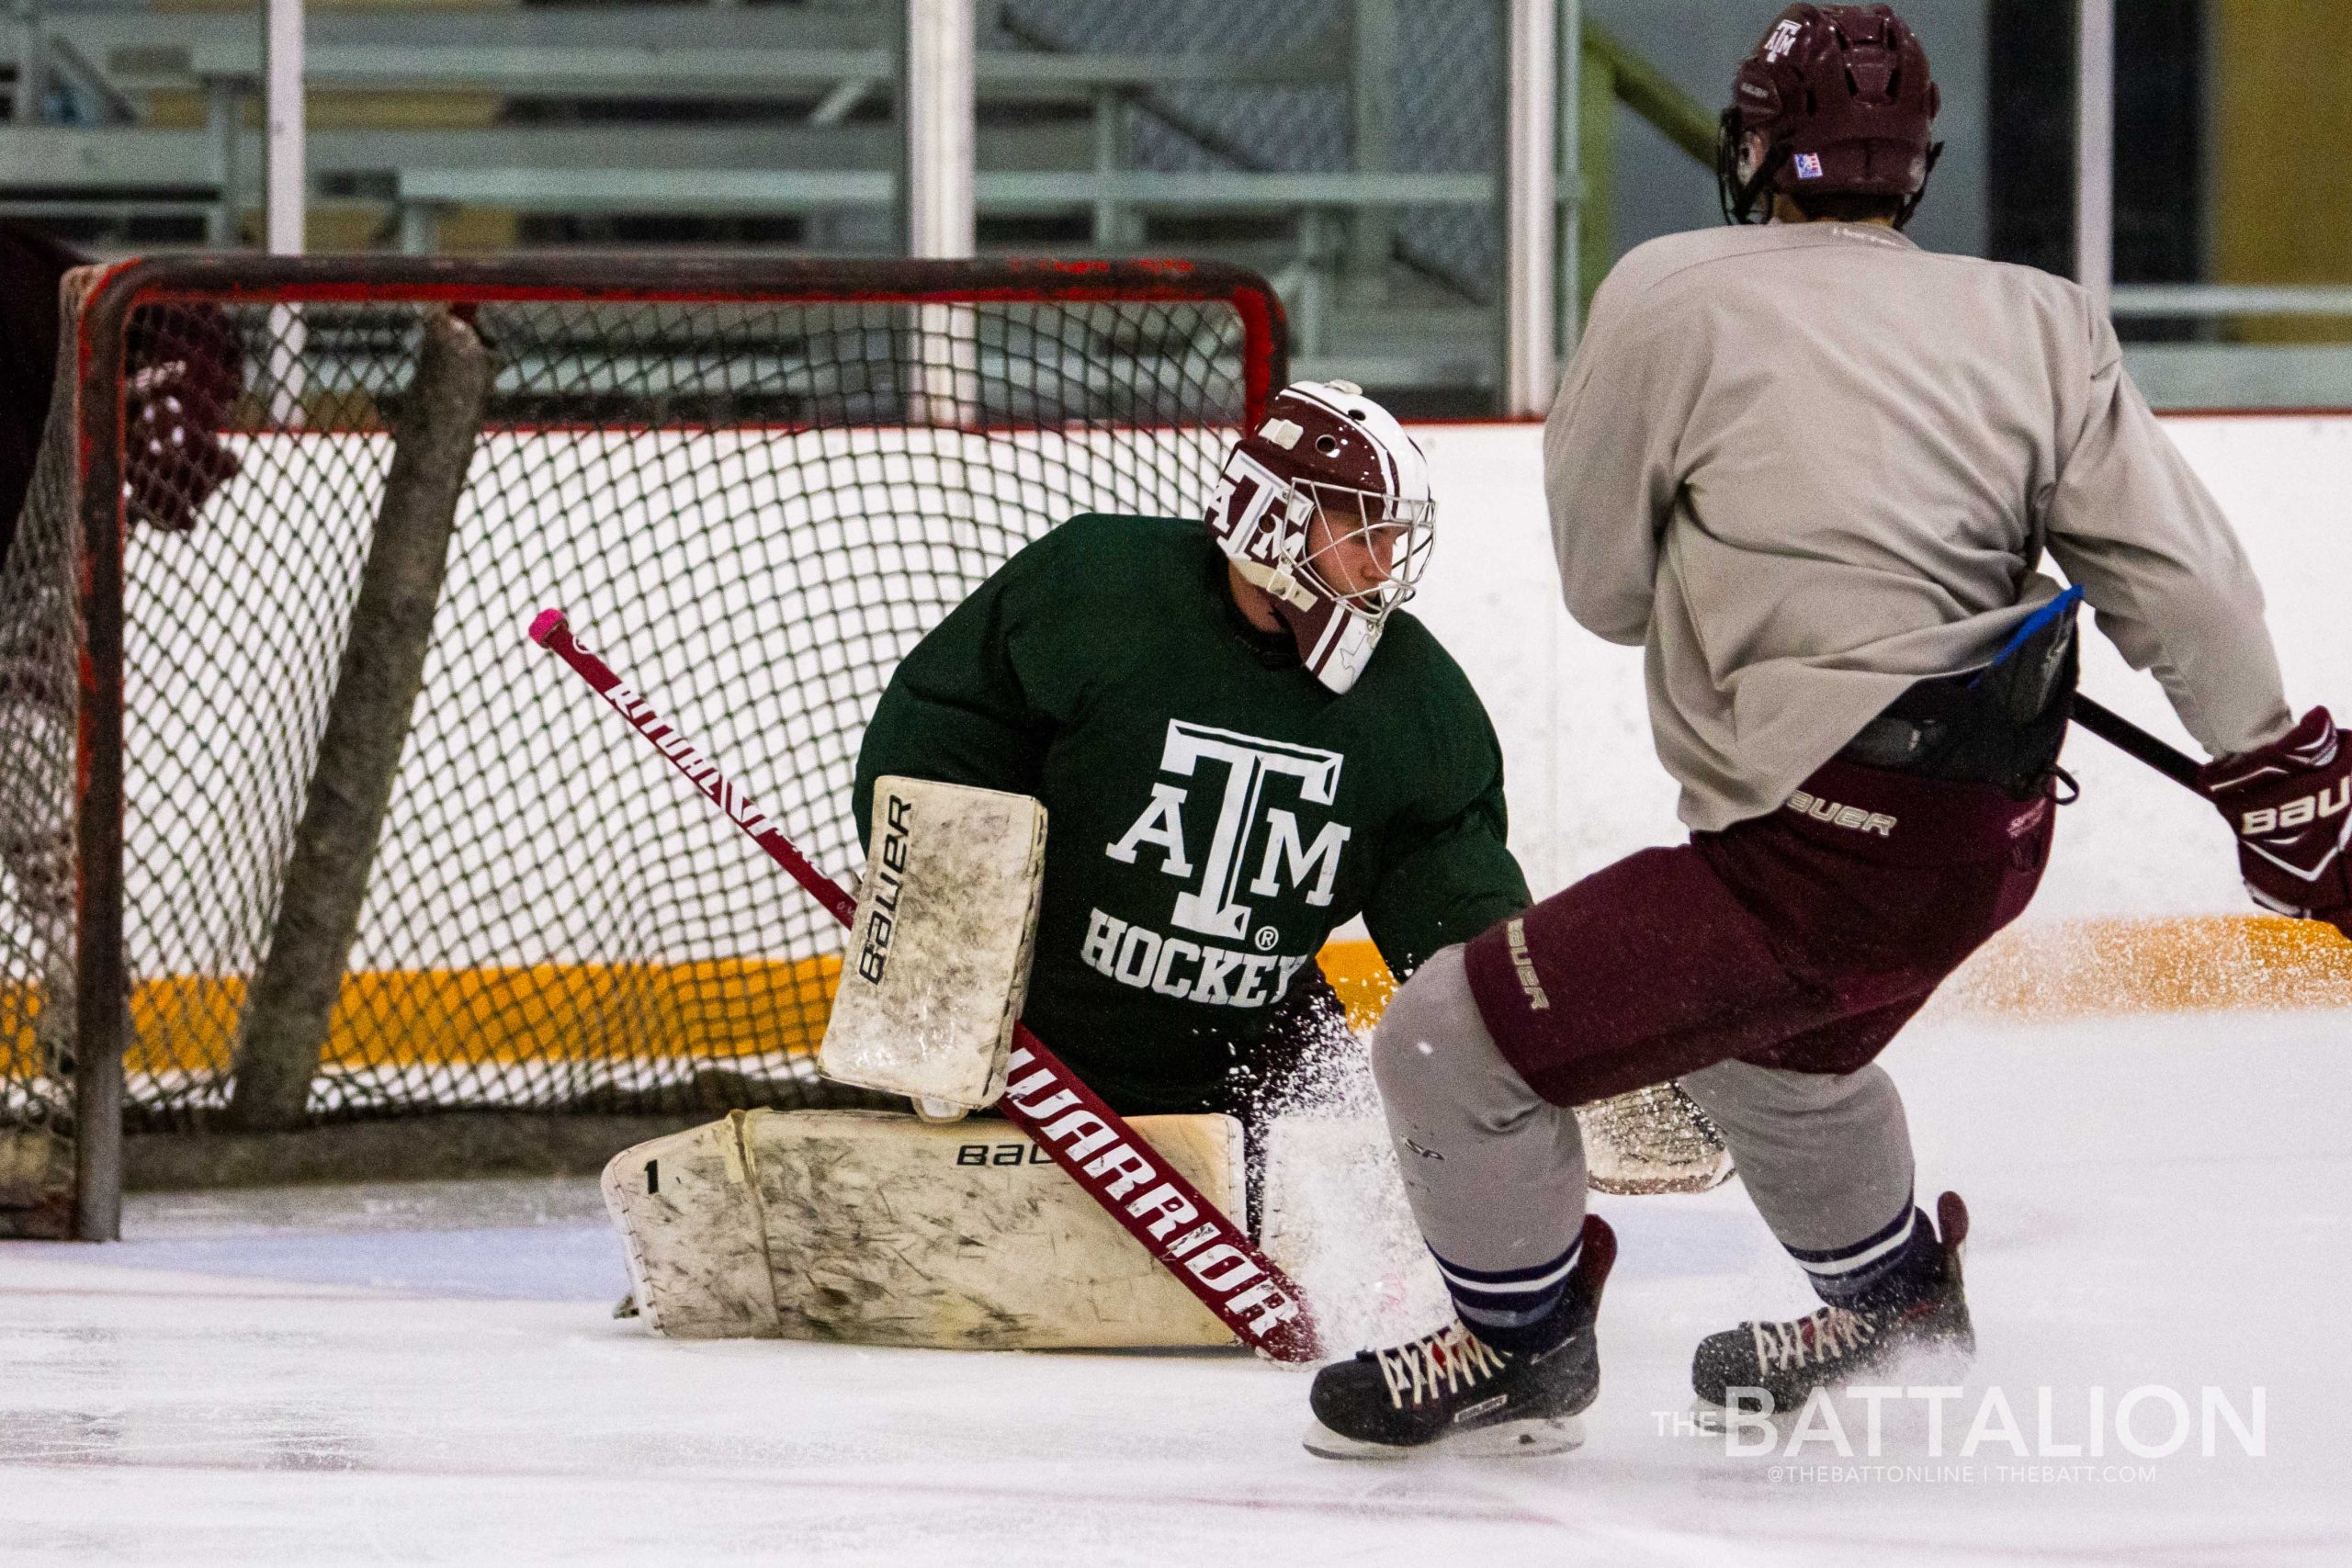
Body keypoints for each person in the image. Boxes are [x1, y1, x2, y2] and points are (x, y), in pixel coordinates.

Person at [1305, 2, 2347, 1459]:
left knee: (1447, 1045)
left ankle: (1519, 1342)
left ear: (1750, 147)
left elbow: (1605, 592)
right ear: (1913, 168)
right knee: (1767, 1046)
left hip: (1817, 850)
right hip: (1994, 836)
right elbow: (2183, 581)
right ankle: (1892, 1296)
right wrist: (2278, 778)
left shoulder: (1669, 289)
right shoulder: (2039, 316)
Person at [853, 378, 1530, 1134]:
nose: (1384, 565)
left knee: (1355, 1165)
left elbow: (1448, 876)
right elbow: (943, 734)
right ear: (1276, 518)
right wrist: (947, 979)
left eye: (1395, 538)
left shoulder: (1412, 695)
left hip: (1248, 1046)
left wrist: (1525, 1023)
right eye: (1363, 533)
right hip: (1040, 1033)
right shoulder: (1097, 588)